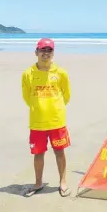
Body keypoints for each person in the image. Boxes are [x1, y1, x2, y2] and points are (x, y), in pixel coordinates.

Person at [21, 38, 72, 197]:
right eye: (43, 50)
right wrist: (39, 108)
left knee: (59, 152)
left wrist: (53, 108)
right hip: (37, 122)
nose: (46, 53)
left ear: (53, 53)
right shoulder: (28, 74)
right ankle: (38, 183)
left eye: (49, 50)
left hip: (57, 121)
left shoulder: (61, 73)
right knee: (38, 153)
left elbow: (67, 95)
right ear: (36, 52)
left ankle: (63, 182)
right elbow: (26, 97)